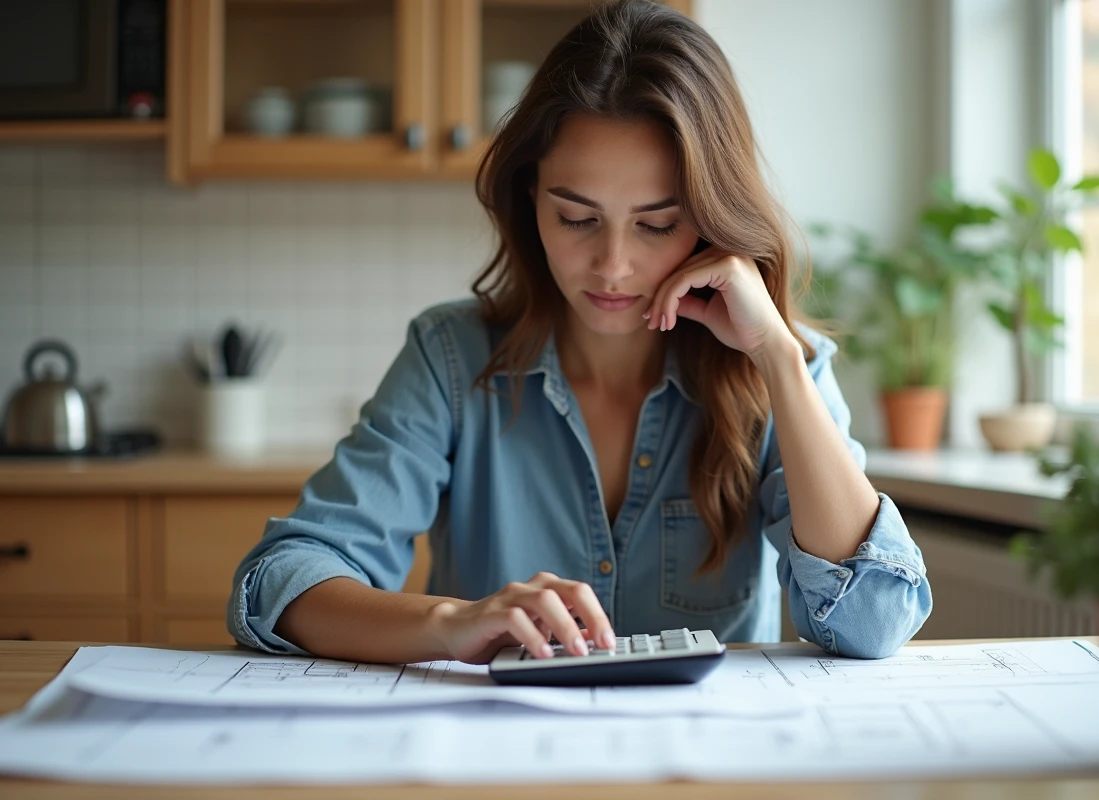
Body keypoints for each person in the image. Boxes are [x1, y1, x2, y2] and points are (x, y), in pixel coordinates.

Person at [227, 0, 932, 665]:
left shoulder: (778, 369)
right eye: (576, 217)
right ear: (529, 195)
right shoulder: (450, 358)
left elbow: (870, 621)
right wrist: (450, 623)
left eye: (657, 224)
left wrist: (777, 354)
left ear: (713, 219)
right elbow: (279, 583)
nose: (614, 266)